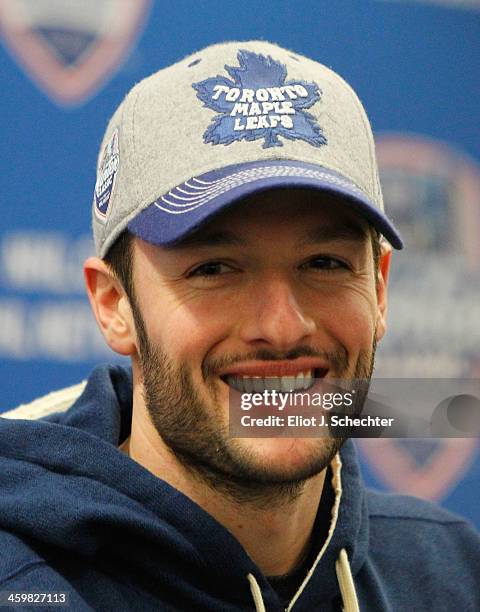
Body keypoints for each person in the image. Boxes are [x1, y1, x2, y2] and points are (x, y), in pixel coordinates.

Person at [0, 40, 478, 612]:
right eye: (215, 269)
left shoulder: (451, 573)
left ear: (378, 288)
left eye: (324, 263)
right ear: (114, 304)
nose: (281, 328)